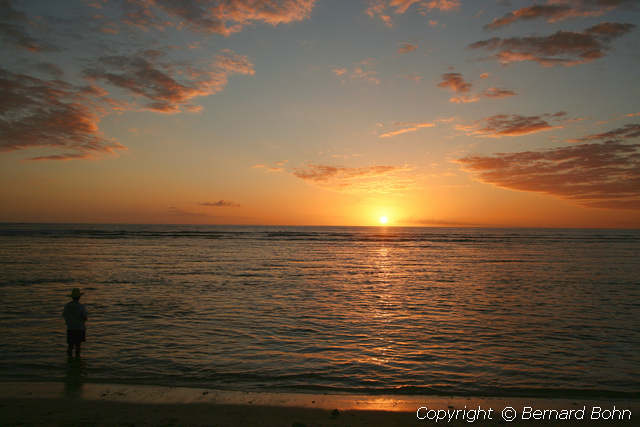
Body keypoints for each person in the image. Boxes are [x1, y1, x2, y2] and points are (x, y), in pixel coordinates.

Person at [63, 288, 88, 358]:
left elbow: (64, 315)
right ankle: (77, 362)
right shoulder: (81, 306)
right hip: (79, 328)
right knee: (78, 347)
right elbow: (85, 318)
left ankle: (69, 360)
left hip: (70, 328)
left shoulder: (67, 306)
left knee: (70, 346)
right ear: (79, 297)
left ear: (72, 297)